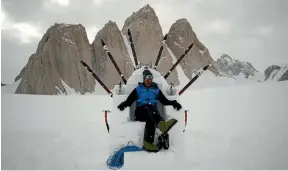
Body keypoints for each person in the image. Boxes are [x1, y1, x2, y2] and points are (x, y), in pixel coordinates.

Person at [117, 69, 182, 152]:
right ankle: (162, 126)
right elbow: (129, 100)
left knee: (151, 119)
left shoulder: (156, 90)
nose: (149, 81)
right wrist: (124, 104)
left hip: (152, 113)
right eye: (147, 79)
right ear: (144, 79)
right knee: (150, 108)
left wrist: (174, 103)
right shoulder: (138, 89)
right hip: (140, 112)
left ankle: (148, 143)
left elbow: (164, 101)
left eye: (150, 79)